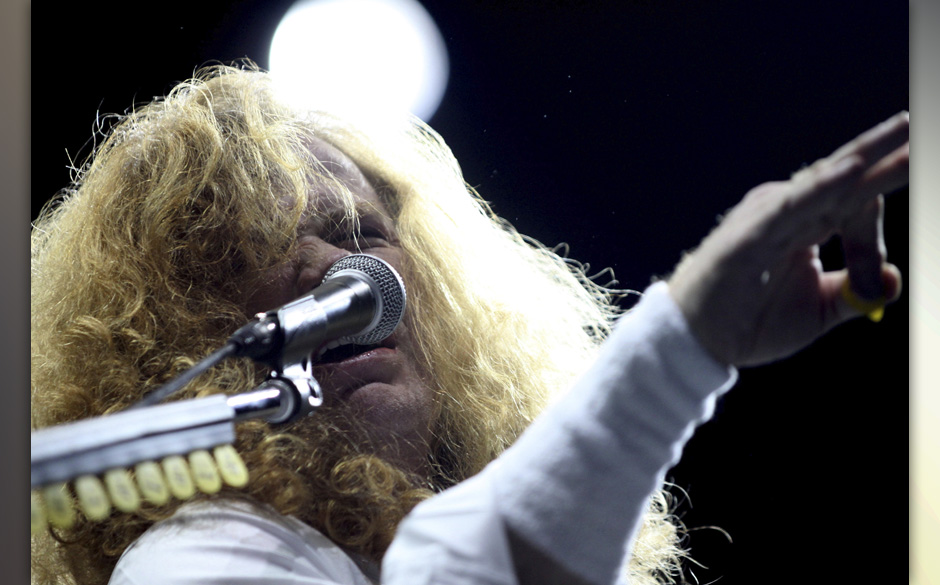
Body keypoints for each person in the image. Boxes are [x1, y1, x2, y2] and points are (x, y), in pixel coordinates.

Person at [29, 63, 908, 585]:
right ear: (177, 335)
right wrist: (683, 344)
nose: (339, 272)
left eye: (359, 232)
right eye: (260, 247)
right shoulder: (192, 560)